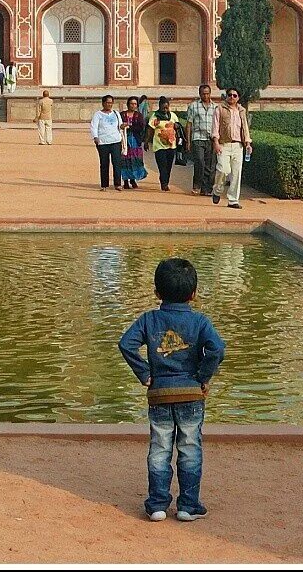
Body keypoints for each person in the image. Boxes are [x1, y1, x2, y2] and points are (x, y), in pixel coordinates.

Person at [117, 258, 225, 523]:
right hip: (191, 393)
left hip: (160, 394)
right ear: (194, 293)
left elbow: (126, 344)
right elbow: (217, 349)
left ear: (156, 293)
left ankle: (157, 505)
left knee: (160, 448)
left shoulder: (149, 319)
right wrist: (203, 376)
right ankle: (188, 505)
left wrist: (144, 373)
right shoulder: (200, 322)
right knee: (190, 448)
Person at [211, 89, 252, 208]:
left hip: (238, 145)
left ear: (238, 98)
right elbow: (215, 126)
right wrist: (216, 142)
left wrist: (248, 143)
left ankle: (233, 200)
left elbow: (244, 128)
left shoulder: (241, 111)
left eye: (235, 95)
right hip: (224, 144)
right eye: (230, 95)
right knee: (223, 169)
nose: (232, 97)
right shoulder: (220, 109)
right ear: (226, 96)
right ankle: (217, 190)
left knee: (236, 173)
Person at [184, 85, 219, 198]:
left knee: (209, 165)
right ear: (199, 94)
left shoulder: (216, 107)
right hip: (198, 137)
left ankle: (206, 188)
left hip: (211, 138)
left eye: (207, 93)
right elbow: (189, 124)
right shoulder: (193, 106)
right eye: (203, 93)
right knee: (199, 162)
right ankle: (196, 185)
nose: (206, 95)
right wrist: (188, 141)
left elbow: (219, 124)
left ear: (210, 93)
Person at [90, 94, 124, 191]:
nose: (109, 105)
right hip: (103, 142)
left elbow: (120, 125)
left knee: (117, 163)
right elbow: (94, 126)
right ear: (103, 103)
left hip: (116, 141)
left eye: (111, 103)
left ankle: (117, 184)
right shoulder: (98, 114)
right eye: (107, 102)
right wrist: (95, 137)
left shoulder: (116, 114)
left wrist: (123, 126)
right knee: (104, 163)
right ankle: (104, 184)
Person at [147, 95, 182, 192]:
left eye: (167, 107)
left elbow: (178, 127)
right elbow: (150, 130)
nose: (165, 110)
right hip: (159, 145)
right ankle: (164, 183)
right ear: (159, 107)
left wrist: (177, 128)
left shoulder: (173, 116)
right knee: (162, 165)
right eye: (163, 108)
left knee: (169, 165)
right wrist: (146, 142)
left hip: (172, 145)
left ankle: (165, 180)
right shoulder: (155, 117)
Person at [118, 96, 149, 189]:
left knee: (135, 160)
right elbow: (117, 125)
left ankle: (133, 179)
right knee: (125, 160)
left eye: (135, 104)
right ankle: (126, 181)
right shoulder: (122, 115)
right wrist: (122, 126)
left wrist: (129, 127)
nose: (133, 105)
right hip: (124, 141)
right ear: (128, 104)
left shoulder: (138, 115)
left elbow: (141, 127)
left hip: (135, 141)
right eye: (131, 103)